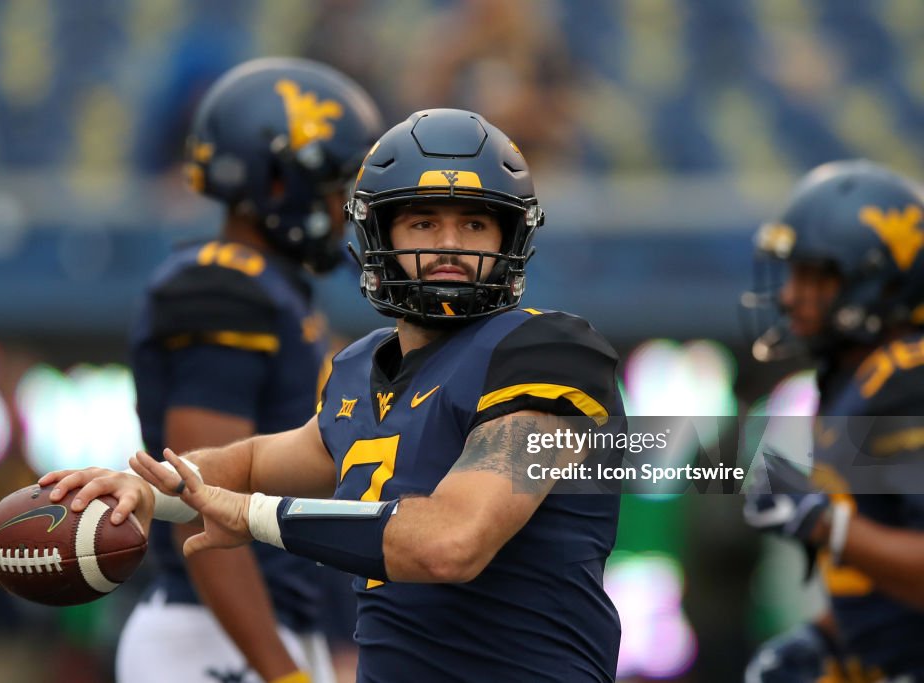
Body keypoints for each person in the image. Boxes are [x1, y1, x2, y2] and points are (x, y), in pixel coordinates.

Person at [43, 108, 627, 682]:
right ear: (378, 233)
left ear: (510, 237)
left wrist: (252, 517)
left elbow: (451, 543)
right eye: (423, 223)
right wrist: (149, 491)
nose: (450, 245)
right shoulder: (360, 369)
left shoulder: (549, 353)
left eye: (474, 224)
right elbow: (247, 464)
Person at [120, 58, 382, 683]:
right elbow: (197, 501)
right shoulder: (224, 288)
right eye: (331, 186)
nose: (342, 207)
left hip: (268, 628)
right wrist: (279, 671)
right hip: (214, 635)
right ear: (275, 183)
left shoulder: (281, 297)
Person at [742, 160, 924, 681]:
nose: (789, 295)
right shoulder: (855, 375)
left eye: (814, 276)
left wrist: (826, 524)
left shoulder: (909, 380)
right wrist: (831, 638)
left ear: (879, 281)